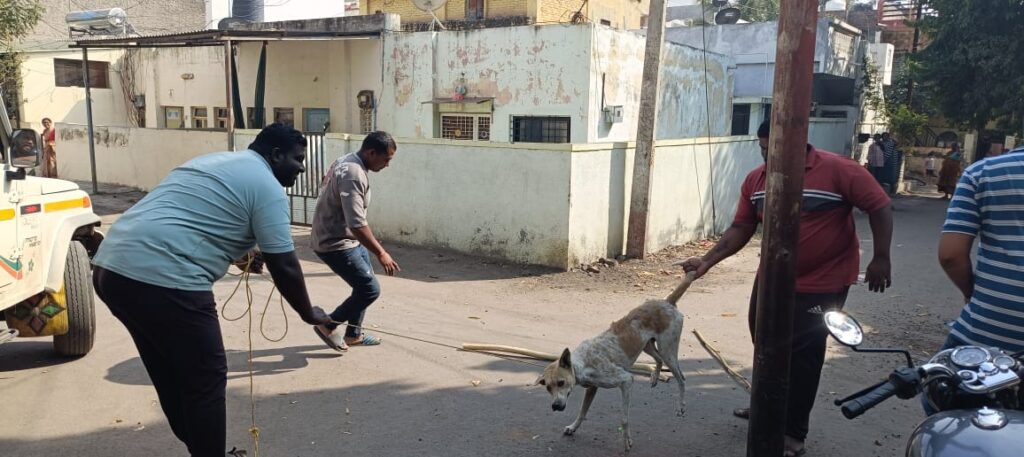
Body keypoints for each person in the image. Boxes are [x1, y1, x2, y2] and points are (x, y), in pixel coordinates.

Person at [91, 123, 331, 457]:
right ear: (276, 156)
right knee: (206, 379)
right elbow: (285, 265)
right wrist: (309, 313)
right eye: (298, 159)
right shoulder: (268, 187)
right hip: (165, 279)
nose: (302, 167)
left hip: (111, 270)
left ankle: (204, 450)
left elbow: (194, 215)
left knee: (172, 376)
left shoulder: (213, 162)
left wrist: (241, 255)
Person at [678, 121, 893, 457]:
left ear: (799, 143)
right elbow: (741, 227)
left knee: (805, 354)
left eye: (774, 148)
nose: (768, 155)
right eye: (764, 148)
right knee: (764, 341)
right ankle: (768, 407)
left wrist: (881, 257)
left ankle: (793, 432)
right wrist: (706, 261)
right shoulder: (757, 180)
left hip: (824, 281)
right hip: (773, 278)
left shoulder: (838, 169)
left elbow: (879, 206)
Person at [311, 131, 399, 351]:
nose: (387, 165)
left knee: (362, 286)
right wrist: (381, 252)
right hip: (334, 242)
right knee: (369, 289)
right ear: (371, 152)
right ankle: (328, 325)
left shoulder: (348, 160)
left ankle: (353, 335)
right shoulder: (353, 173)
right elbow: (357, 224)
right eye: (386, 159)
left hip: (347, 239)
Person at [937, 145, 1024, 354]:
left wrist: (970, 292)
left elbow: (951, 256)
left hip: (989, 335)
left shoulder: (983, 172)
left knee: (932, 381)